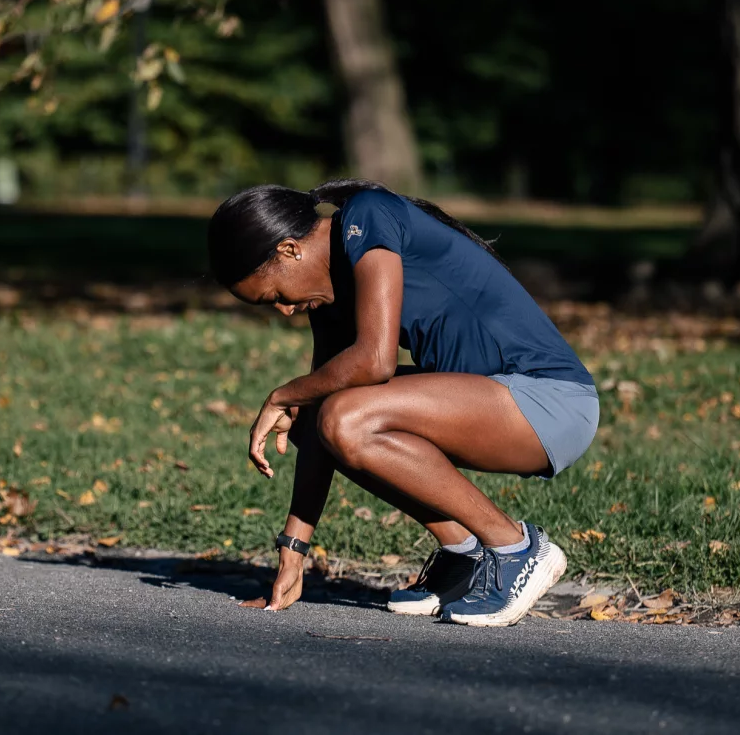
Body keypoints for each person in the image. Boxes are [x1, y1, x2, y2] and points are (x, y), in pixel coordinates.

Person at [206, 179, 598, 627]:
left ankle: (516, 548)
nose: (284, 311)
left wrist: (280, 395)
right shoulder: (330, 295)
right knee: (316, 415)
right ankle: (464, 552)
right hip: (491, 402)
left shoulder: (368, 215)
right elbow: (318, 425)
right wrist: (293, 552)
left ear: (289, 250)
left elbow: (376, 361)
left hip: (548, 400)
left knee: (343, 416)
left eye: (275, 296)